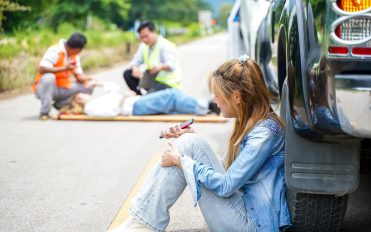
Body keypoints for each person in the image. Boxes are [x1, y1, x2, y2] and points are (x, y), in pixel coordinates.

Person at [109, 56, 291, 232]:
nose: (213, 99)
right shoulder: (253, 123)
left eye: (217, 94)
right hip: (245, 212)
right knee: (188, 142)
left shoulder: (264, 133)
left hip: (251, 225)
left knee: (187, 149)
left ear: (236, 97)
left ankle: (142, 224)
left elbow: (227, 184)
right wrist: (190, 142)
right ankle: (140, 221)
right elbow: (229, 170)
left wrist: (183, 161)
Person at [59, 82, 220, 117]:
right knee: (171, 95)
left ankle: (205, 108)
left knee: (172, 101)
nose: (84, 93)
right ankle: (208, 105)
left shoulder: (93, 102)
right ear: (78, 101)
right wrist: (123, 98)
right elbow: (110, 112)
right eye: (80, 95)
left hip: (133, 103)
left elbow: (112, 90)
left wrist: (100, 84)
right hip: (133, 107)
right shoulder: (90, 108)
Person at [32, 32, 94, 120]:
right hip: (45, 88)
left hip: (62, 88)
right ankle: (44, 112)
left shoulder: (74, 56)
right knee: (49, 77)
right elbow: (42, 69)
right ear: (78, 49)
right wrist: (64, 68)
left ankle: (63, 105)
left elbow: (79, 77)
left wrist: (92, 80)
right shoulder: (55, 50)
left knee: (88, 86)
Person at [123, 21, 182, 95]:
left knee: (149, 99)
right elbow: (135, 61)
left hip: (168, 84)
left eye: (146, 36)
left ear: (154, 32)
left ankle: (147, 98)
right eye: (141, 38)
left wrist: (160, 67)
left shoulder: (165, 45)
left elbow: (170, 65)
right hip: (151, 80)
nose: (144, 40)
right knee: (128, 73)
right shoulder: (144, 46)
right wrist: (135, 69)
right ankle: (140, 97)